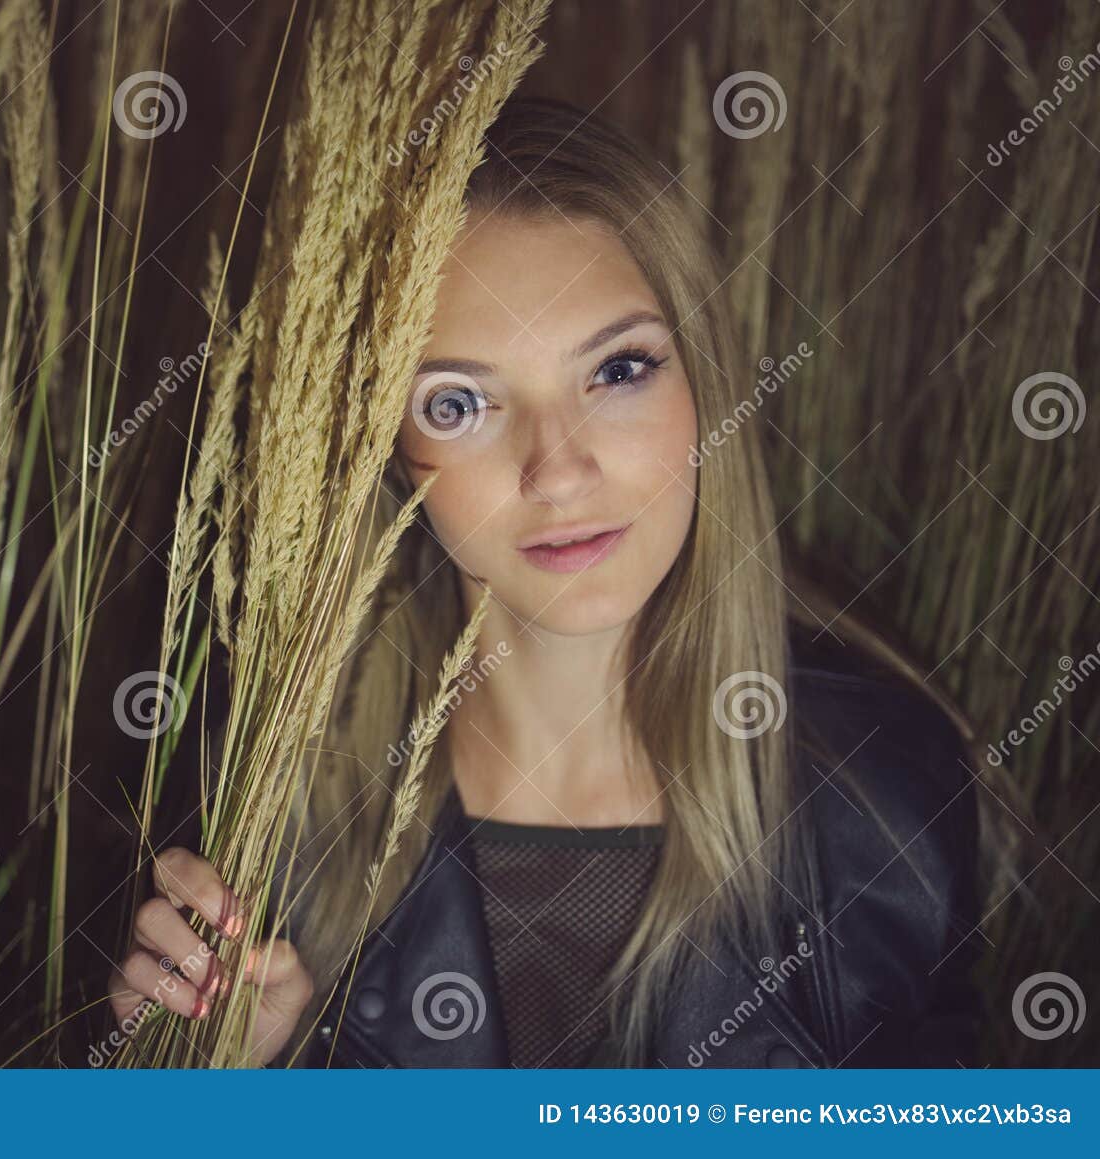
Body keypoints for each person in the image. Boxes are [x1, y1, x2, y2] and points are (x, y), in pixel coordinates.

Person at [107, 97, 983, 1068]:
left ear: (705, 382)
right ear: (390, 454)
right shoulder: (262, 809)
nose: (557, 471)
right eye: (459, 401)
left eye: (618, 370)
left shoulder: (886, 791)